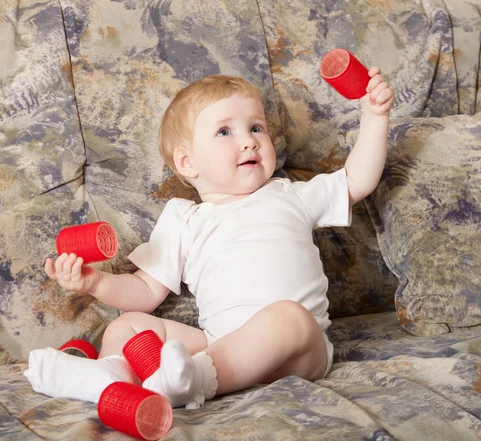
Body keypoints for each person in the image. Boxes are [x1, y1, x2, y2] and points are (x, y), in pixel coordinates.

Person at [24, 71, 395, 409]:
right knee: (130, 324)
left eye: (256, 128)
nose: (249, 142)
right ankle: (111, 376)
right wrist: (96, 282)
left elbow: (356, 180)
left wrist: (375, 117)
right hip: (217, 345)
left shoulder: (288, 195)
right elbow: (144, 291)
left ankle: (195, 381)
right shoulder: (183, 219)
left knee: (290, 317)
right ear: (188, 163)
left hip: (298, 352)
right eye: (225, 132)